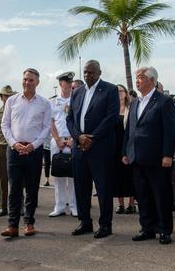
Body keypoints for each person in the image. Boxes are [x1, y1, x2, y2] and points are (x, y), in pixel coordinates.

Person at [122, 66, 175, 245]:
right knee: (142, 196)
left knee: (161, 195)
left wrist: (167, 154)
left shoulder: (163, 101)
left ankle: (164, 229)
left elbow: (169, 130)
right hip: (136, 157)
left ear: (151, 80)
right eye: (136, 78)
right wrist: (125, 151)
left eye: (141, 77)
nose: (137, 80)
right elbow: (130, 129)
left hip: (157, 158)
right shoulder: (135, 102)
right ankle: (147, 228)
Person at [66, 60, 120, 238]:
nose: (88, 75)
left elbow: (111, 117)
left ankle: (105, 225)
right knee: (81, 187)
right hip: (79, 148)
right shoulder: (77, 91)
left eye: (91, 72)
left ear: (99, 72)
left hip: (100, 149)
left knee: (103, 189)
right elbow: (70, 119)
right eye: (86, 72)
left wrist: (93, 138)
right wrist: (78, 137)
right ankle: (85, 222)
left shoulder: (110, 90)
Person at [0, 68, 52, 237]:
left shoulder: (44, 103)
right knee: (14, 188)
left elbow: (46, 127)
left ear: (37, 82)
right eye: (25, 79)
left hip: (33, 151)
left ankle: (29, 223)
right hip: (14, 150)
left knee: (31, 188)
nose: (27, 82)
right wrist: (14, 143)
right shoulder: (12, 101)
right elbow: (5, 125)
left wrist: (34, 145)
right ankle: (12, 225)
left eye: (30, 80)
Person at [48, 72, 77, 218]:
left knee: (73, 175)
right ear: (60, 83)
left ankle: (73, 206)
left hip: (73, 141)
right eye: (66, 81)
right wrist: (57, 139)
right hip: (57, 141)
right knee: (58, 175)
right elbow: (51, 122)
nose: (69, 84)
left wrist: (73, 139)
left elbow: (78, 121)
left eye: (70, 81)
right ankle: (59, 206)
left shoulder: (77, 99)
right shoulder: (53, 101)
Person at [0, 85, 18, 217]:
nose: (7, 98)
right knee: (3, 179)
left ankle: (20, 206)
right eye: (5, 96)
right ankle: (3, 207)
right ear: (1, 98)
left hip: (16, 147)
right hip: (1, 146)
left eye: (10, 96)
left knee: (17, 178)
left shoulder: (18, 111)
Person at [114, 84, 136, 215]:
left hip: (128, 145)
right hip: (115, 146)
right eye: (116, 91)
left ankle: (131, 204)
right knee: (117, 176)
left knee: (130, 176)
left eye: (121, 91)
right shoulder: (112, 109)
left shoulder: (131, 108)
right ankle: (120, 204)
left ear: (126, 93)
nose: (119, 93)